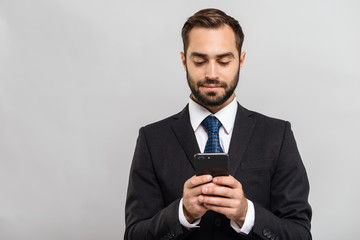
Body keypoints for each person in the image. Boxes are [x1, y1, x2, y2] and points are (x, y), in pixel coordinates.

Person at [124, 8, 312, 240]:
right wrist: (181, 213)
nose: (212, 73)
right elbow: (133, 236)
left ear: (240, 61)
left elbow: (300, 235)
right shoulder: (152, 140)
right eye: (200, 60)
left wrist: (246, 213)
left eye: (223, 61)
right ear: (184, 61)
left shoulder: (277, 135)